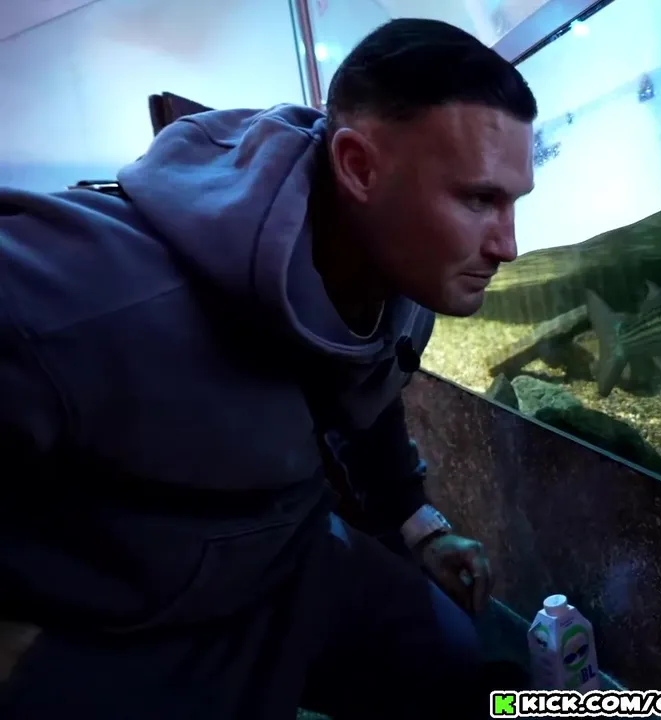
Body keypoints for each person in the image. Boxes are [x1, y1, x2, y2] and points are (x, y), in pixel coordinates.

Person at [0, 18, 536, 720]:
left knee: (467, 666)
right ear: (358, 167)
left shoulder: (409, 279)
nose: (508, 246)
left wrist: (416, 523)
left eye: (513, 202)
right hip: (129, 618)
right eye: (479, 199)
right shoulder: (99, 289)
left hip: (291, 554)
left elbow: (369, 388)